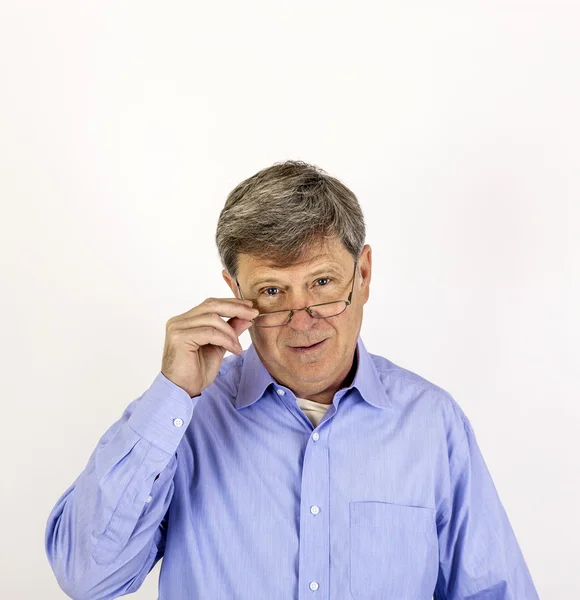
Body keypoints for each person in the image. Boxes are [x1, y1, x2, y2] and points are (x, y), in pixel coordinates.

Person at [45, 160, 540, 599]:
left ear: (363, 275)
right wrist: (172, 395)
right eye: (273, 291)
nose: (302, 322)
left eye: (322, 283)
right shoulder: (185, 420)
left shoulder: (433, 423)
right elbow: (88, 577)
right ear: (234, 293)